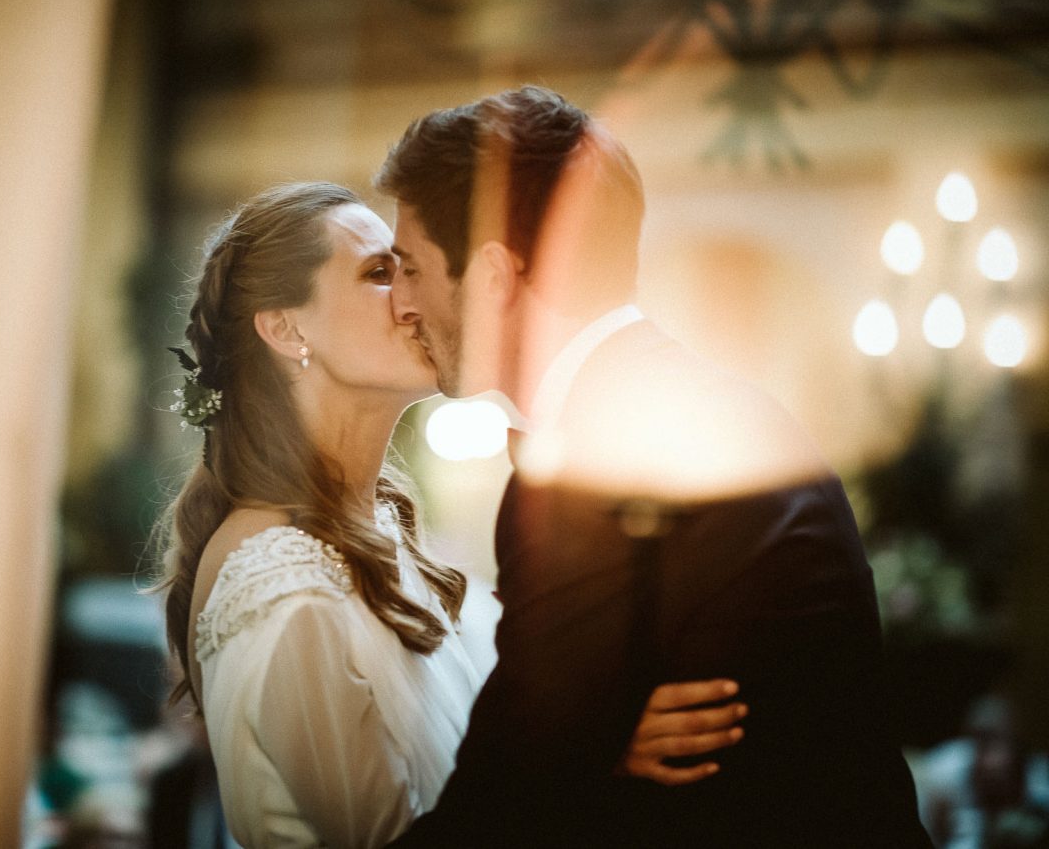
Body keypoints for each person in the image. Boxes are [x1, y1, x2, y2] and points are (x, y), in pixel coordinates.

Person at [376, 87, 933, 847]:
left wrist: (575, 751)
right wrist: (593, 743)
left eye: (409, 267)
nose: (399, 302)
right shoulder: (691, 401)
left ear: (496, 276)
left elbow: (502, 800)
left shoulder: (594, 458)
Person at [154, 182, 748, 848]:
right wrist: (595, 762)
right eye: (380, 273)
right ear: (287, 327)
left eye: (409, 269)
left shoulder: (378, 531)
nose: (412, 299)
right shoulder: (285, 588)